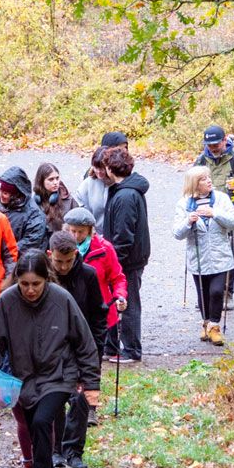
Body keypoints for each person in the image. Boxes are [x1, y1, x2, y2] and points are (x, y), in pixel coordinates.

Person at [0, 251, 100, 468]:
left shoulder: (62, 300)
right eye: (24, 284)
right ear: (17, 281)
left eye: (36, 284)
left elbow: (84, 342)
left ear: (47, 279)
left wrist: (91, 383)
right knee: (39, 434)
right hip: (25, 379)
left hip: (59, 375)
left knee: (42, 423)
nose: (30, 290)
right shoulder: (7, 302)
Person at [45, 230, 107, 468]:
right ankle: (56, 449)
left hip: (81, 347)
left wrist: (96, 350)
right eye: (59, 261)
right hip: (51, 349)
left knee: (81, 400)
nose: (63, 266)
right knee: (55, 399)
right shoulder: (43, 277)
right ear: (50, 255)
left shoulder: (88, 275)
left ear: (75, 255)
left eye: (68, 261)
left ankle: (75, 453)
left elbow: (98, 315)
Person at [172, 166, 234, 346]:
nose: (209, 181)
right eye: (203, 179)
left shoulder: (221, 199)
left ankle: (215, 326)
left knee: (217, 291)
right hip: (198, 258)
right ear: (194, 184)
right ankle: (206, 323)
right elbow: (177, 233)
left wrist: (216, 214)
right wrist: (189, 221)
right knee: (203, 295)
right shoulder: (184, 204)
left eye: (209, 177)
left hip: (221, 257)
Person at [102, 147, 150, 362]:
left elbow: (124, 235)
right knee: (117, 302)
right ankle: (113, 347)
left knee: (127, 304)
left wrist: (113, 262)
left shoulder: (126, 195)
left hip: (127, 261)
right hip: (127, 259)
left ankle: (131, 349)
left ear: (110, 168)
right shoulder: (124, 190)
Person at [196, 125, 234, 301]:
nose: (212, 147)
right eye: (209, 144)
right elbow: (191, 182)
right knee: (208, 251)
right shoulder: (202, 159)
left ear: (224, 141)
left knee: (231, 253)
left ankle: (227, 293)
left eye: (216, 143)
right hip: (206, 212)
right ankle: (208, 293)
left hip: (231, 212)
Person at [64, 207, 127, 362]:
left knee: (93, 356)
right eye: (73, 231)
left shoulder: (104, 248)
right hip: (70, 310)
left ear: (90, 230)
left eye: (81, 232)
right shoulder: (62, 248)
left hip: (97, 312)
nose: (76, 236)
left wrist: (120, 296)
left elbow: (118, 278)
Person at [74, 133, 127, 229]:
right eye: (96, 168)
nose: (99, 172)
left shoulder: (121, 180)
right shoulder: (87, 185)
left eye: (125, 148)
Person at [0, 166, 48, 254]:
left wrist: (3, 252)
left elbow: (29, 243)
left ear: (16, 194)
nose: (0, 196)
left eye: (5, 193)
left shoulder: (35, 216)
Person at [33, 163, 78, 234]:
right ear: (41, 181)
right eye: (51, 179)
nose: (56, 182)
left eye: (57, 178)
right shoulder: (35, 202)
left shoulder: (69, 200)